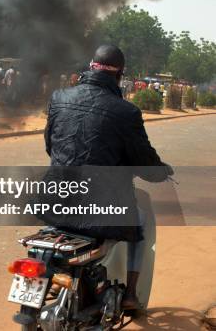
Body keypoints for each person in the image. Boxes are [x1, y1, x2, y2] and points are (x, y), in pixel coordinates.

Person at [44, 44, 172, 311]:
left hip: (55, 201)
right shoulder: (127, 112)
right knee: (142, 222)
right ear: (120, 75)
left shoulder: (59, 97)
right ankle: (130, 295)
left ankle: (58, 276)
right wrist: (161, 172)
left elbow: (50, 146)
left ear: (91, 67)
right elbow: (144, 162)